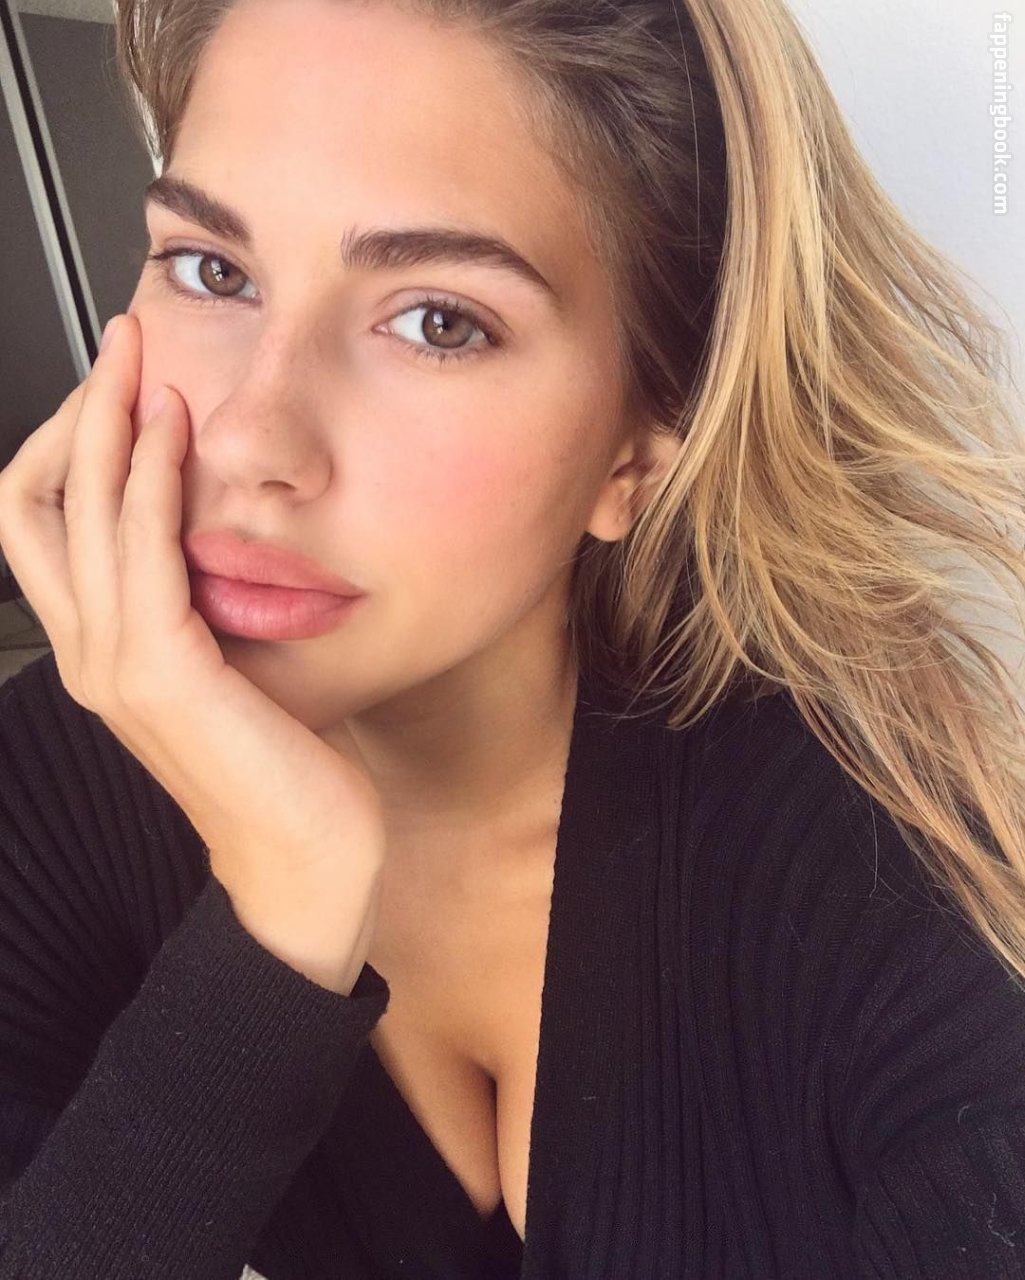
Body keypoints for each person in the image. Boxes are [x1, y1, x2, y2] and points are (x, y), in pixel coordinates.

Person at [1, 0, 1024, 1275]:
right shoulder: (51, 783)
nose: (252, 438)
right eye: (213, 270)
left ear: (641, 442)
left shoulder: (877, 874)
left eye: (440, 320)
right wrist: (278, 908)